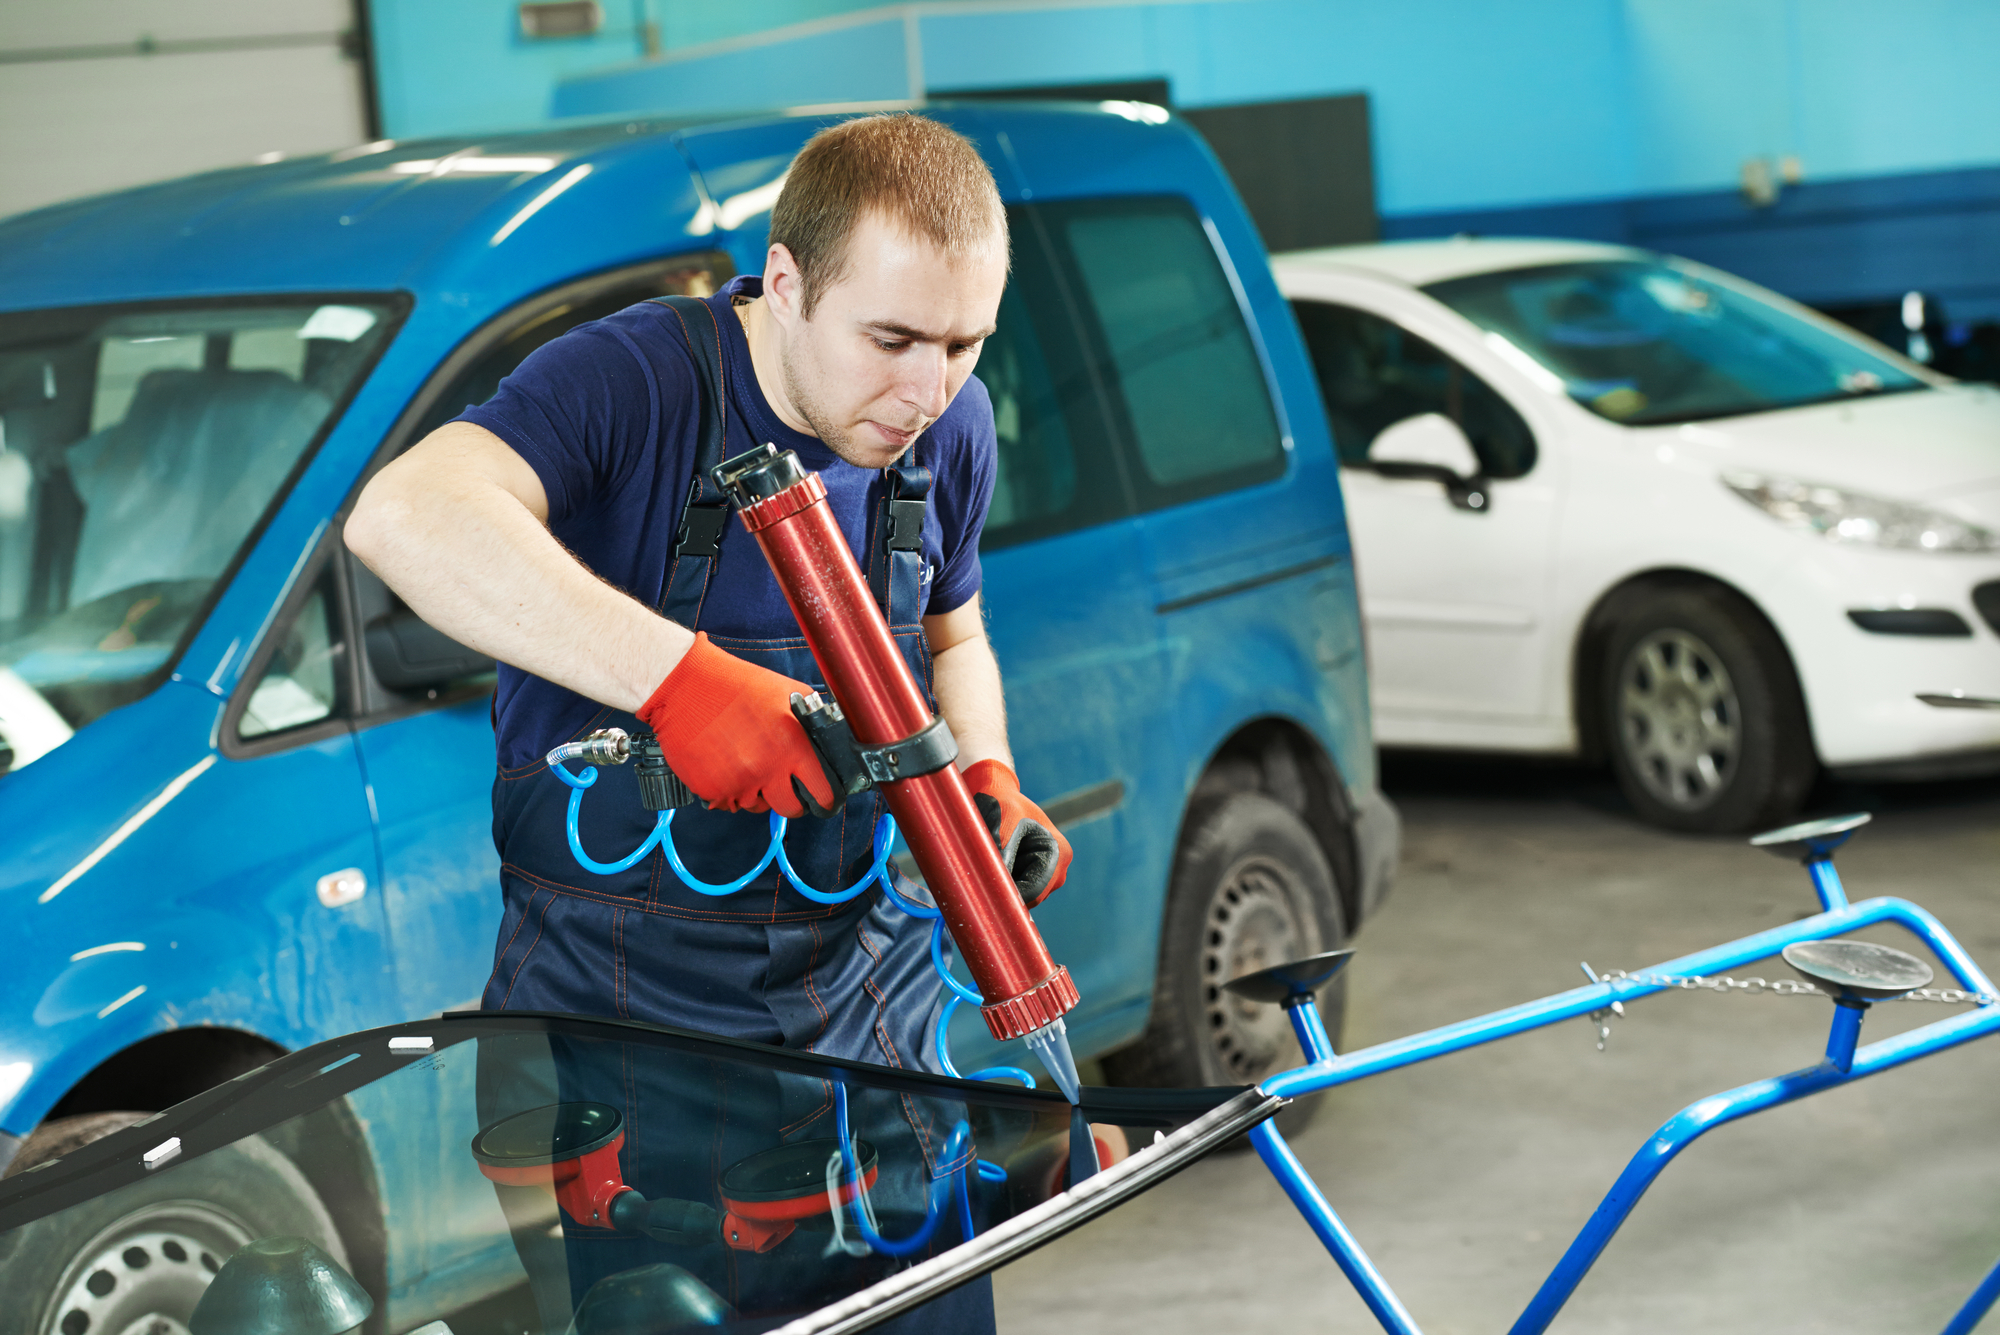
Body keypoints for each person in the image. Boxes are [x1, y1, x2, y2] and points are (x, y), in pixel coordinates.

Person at [344, 113, 1071, 1329]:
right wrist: (677, 682)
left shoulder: (948, 425)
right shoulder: (634, 382)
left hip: (869, 1041)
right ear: (783, 283)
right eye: (889, 338)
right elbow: (402, 519)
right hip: (626, 1058)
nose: (925, 389)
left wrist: (983, 770)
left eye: (963, 342)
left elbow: (954, 634)